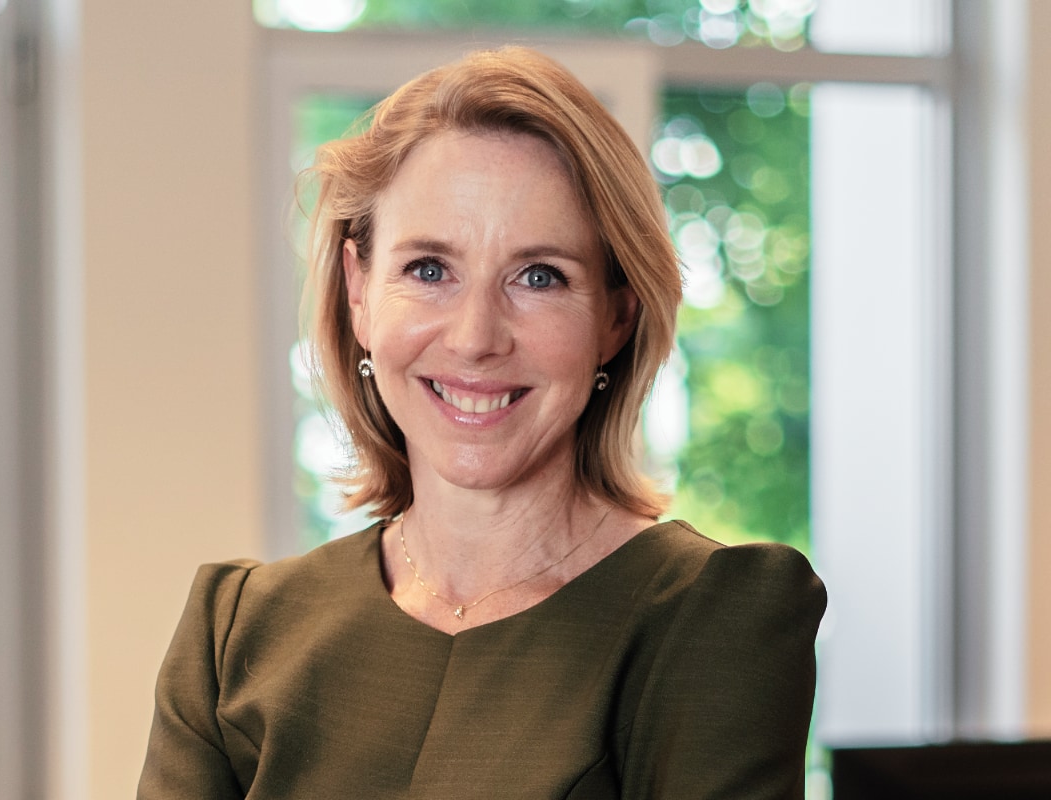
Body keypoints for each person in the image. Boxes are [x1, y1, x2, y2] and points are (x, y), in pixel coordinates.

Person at [137, 46, 826, 800]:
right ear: (359, 291)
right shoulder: (234, 634)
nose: (475, 338)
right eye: (429, 269)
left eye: (539, 276)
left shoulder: (714, 618)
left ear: (617, 317)